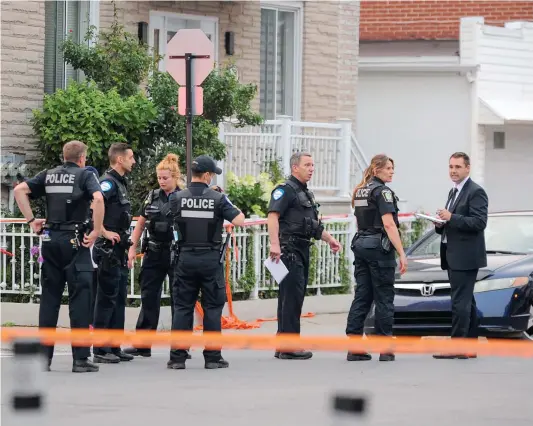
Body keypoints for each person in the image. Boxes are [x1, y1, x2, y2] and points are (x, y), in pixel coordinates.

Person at [13, 140, 104, 373]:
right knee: (80, 299)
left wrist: (32, 221)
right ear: (82, 158)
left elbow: (19, 190)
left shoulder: (48, 175)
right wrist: (95, 230)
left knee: (50, 299)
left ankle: (44, 358)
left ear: (65, 157)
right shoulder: (85, 175)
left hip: (50, 241)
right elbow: (99, 198)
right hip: (76, 242)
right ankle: (80, 359)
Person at [166, 155, 245, 370]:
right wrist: (226, 201)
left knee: (182, 308)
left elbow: (165, 220)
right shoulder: (218, 199)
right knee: (212, 308)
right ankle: (212, 357)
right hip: (210, 260)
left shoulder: (177, 197)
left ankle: (177, 358)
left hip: (185, 258)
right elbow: (239, 220)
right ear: (208, 175)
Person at [267, 152, 341, 360]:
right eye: (307, 165)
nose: (311, 169)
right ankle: (289, 345)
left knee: (292, 298)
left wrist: (329, 239)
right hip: (289, 250)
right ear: (294, 168)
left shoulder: (304, 193)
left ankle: (283, 343)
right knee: (290, 298)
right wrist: (275, 244)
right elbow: (272, 217)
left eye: (313, 165)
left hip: (301, 248)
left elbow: (311, 225)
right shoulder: (286, 190)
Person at [345, 154, 407, 362]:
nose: (391, 172)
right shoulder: (382, 192)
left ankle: (354, 346)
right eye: (388, 168)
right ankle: (385, 347)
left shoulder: (361, 190)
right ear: (376, 169)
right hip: (378, 248)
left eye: (392, 168)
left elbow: (359, 220)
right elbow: (389, 224)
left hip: (361, 244)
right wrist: (401, 252)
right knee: (384, 297)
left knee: (363, 295)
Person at [123, 153, 185, 358]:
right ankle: (142, 344)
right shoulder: (152, 196)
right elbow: (140, 223)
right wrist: (132, 247)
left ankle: (180, 346)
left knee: (179, 299)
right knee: (149, 297)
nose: (162, 181)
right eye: (159, 178)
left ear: (175, 177)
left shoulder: (184, 196)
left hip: (176, 253)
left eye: (165, 178)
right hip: (154, 252)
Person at [433, 152, 488, 359]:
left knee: (460, 303)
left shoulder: (476, 191)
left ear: (468, 168)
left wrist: (451, 217)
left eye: (457, 167)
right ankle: (470, 346)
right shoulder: (453, 191)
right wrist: (440, 223)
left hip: (465, 257)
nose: (453, 171)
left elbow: (479, 222)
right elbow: (452, 222)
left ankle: (458, 348)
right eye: (450, 167)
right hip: (452, 254)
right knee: (467, 302)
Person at [92, 143, 136, 364]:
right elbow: (93, 206)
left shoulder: (120, 183)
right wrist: (103, 231)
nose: (134, 161)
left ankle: (114, 346)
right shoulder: (107, 183)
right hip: (107, 249)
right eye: (130, 157)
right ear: (120, 159)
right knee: (106, 299)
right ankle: (100, 349)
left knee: (118, 298)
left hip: (119, 249)